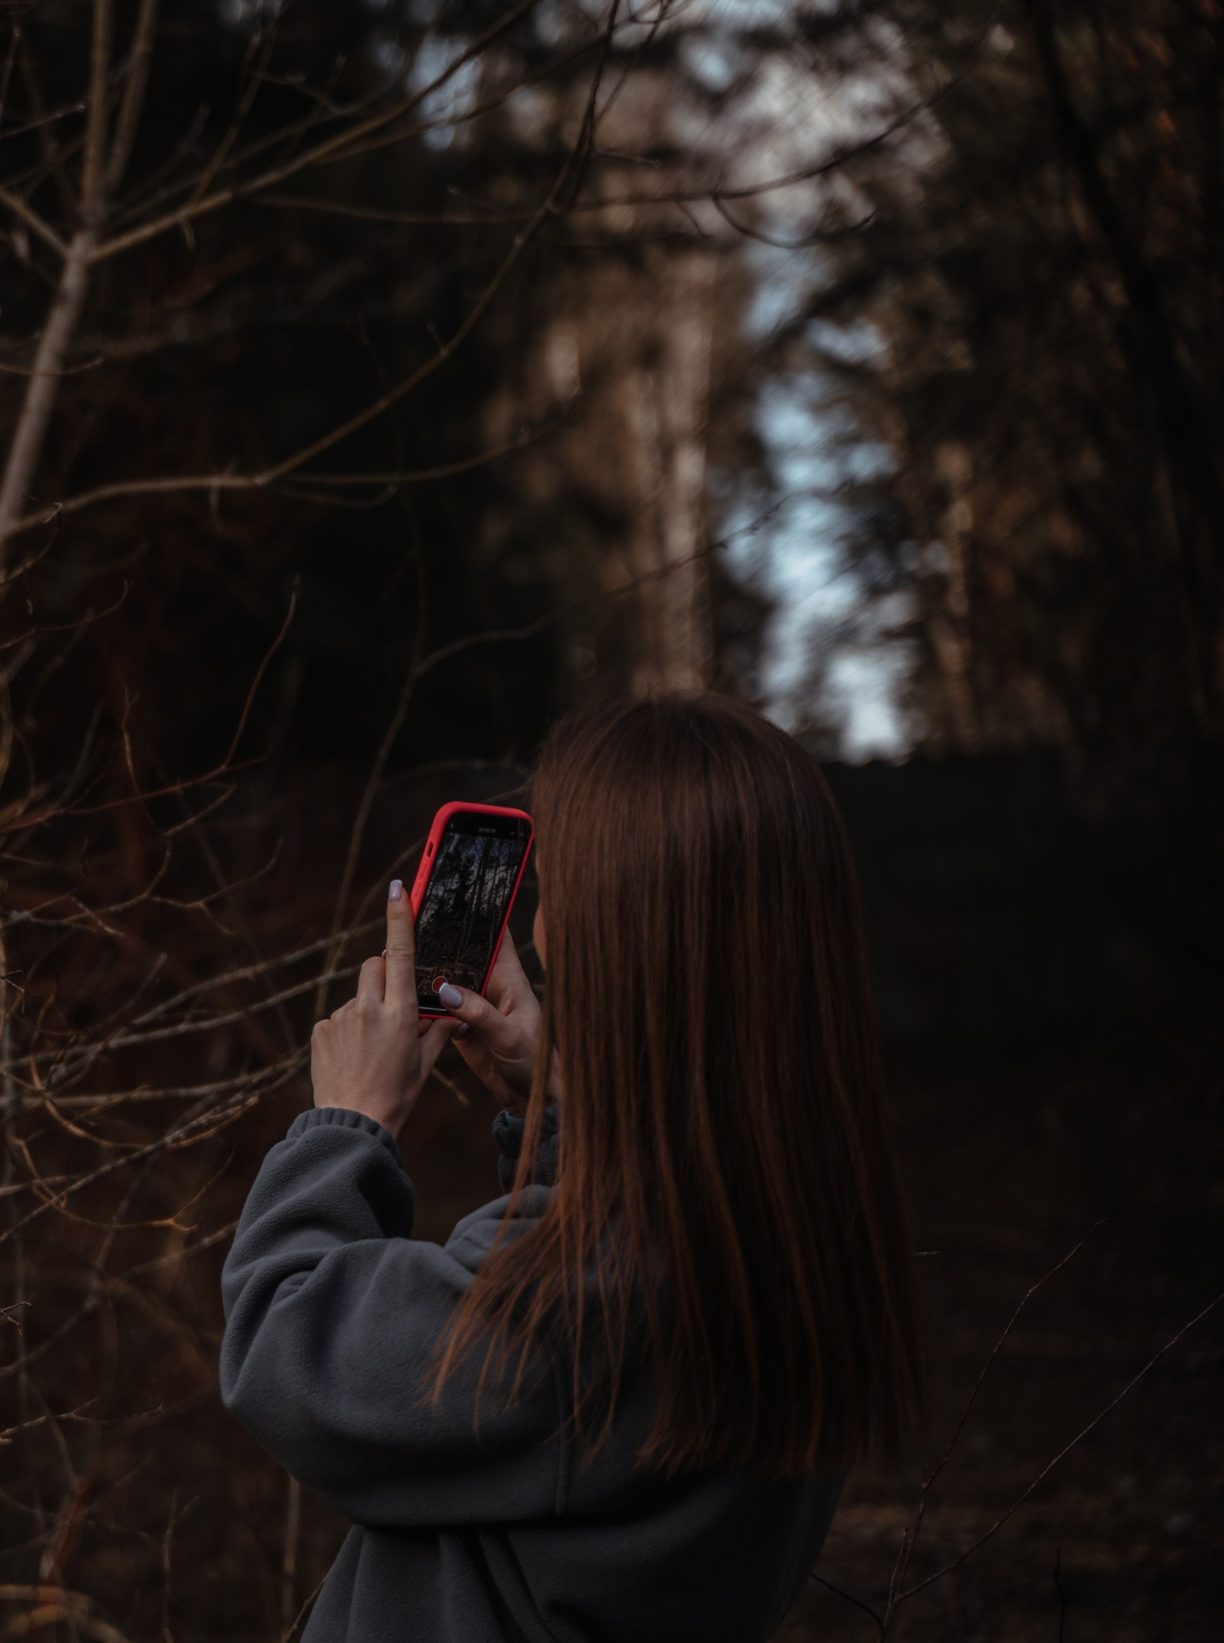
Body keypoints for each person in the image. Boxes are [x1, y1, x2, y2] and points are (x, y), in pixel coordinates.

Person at [219, 695, 925, 1643]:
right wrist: (567, 1104)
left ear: (631, 943)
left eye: (561, 894)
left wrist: (348, 1123)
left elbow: (288, 1351)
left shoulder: (590, 1295)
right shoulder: (807, 1228)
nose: (541, 932)